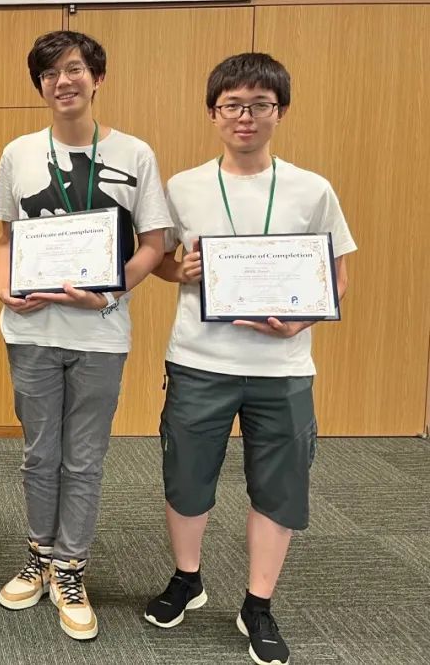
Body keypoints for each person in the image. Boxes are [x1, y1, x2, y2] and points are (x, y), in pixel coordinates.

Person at [144, 52, 355, 665]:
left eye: (260, 105)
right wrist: (178, 269)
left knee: (279, 488)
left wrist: (301, 320)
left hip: (282, 369)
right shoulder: (183, 186)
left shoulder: (312, 189)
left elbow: (337, 274)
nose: (245, 116)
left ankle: (258, 604)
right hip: (199, 360)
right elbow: (158, 260)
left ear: (279, 112)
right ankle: (187, 578)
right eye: (232, 105)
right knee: (186, 478)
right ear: (213, 113)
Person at [0, 30, 170, 640]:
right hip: (31, 329)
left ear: (97, 77)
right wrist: (3, 285)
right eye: (49, 74)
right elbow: (5, 237)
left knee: (84, 457)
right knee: (40, 452)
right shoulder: (18, 153)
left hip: (101, 332)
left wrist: (111, 292)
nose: (62, 82)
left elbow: (154, 245)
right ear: (40, 86)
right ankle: (39, 555)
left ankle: (71, 567)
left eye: (73, 69)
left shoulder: (135, 153)